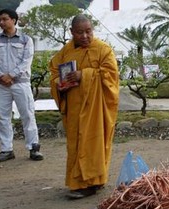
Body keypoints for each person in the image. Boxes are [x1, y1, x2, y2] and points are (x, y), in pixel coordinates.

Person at [50, 15, 119, 199]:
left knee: (94, 144)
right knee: (76, 144)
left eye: (88, 31)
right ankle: (80, 181)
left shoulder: (103, 49)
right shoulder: (66, 51)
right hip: (74, 108)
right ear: (72, 32)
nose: (85, 36)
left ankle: (92, 183)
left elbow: (111, 76)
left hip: (96, 109)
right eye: (80, 32)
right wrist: (59, 83)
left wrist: (84, 75)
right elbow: (54, 73)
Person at [0, 8, 43, 162]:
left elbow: (26, 61)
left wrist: (11, 75)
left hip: (20, 83)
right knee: (3, 117)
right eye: (0, 19)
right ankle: (6, 149)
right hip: (1, 84)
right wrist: (1, 76)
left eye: (5, 19)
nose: (1, 22)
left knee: (28, 115)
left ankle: (33, 148)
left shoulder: (26, 39)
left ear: (14, 20)